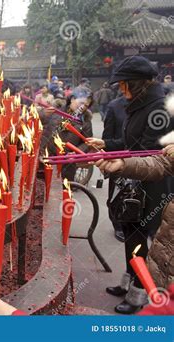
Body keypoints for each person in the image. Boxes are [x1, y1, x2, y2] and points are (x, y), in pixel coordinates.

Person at [89, 55, 172, 314]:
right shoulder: (137, 105)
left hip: (153, 186)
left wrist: (118, 160)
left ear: (139, 84)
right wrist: (107, 145)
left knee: (143, 238)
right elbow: (130, 144)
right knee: (131, 234)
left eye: (124, 85)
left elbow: (148, 151)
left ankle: (140, 295)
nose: (121, 90)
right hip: (134, 180)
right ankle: (129, 282)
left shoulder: (159, 109)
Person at [95, 144, 174, 291]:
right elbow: (162, 163)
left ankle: (138, 290)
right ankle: (135, 286)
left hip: (151, 194)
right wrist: (124, 164)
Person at [88, 93, 128, 242]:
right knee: (117, 193)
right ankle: (118, 224)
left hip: (144, 159)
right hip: (118, 158)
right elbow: (108, 137)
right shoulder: (115, 106)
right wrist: (106, 157)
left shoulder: (154, 105)